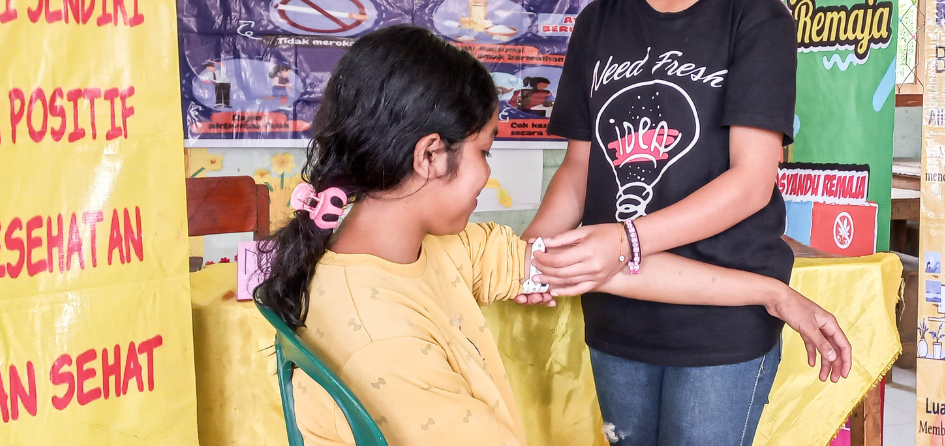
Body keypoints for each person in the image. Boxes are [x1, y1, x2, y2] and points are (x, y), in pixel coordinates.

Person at [258, 25, 849, 446]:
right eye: (485, 151)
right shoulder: (385, 340)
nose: (487, 177)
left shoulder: (417, 252)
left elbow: (595, 263)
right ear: (430, 155)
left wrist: (772, 293)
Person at [520, 0, 805, 446]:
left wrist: (624, 241)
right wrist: (533, 251)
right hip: (617, 312)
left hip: (719, 321)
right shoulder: (598, 22)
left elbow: (752, 181)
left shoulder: (754, 19)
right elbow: (579, 167)